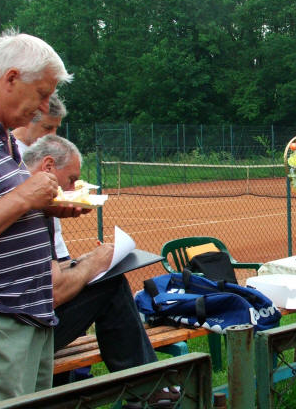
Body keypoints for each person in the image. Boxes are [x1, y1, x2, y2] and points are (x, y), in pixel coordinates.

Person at [23, 134, 180, 408]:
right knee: (110, 286)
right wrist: (94, 264)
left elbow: (43, 276)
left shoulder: (26, 202)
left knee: (107, 281)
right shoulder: (29, 210)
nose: (73, 189)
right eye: (71, 180)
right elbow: (52, 293)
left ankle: (148, 387)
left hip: (25, 320)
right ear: (48, 166)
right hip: (22, 331)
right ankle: (148, 389)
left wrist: (85, 260)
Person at [0, 30, 76, 405]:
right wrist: (24, 197)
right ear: (12, 78)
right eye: (42, 94)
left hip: (32, 314)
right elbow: (11, 202)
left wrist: (44, 207)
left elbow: (1, 207)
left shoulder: (0, 136)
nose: (43, 107)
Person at [13, 93, 71, 260]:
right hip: (26, 253)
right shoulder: (9, 151)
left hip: (56, 247)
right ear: (28, 119)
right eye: (47, 128)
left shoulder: (49, 152)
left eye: (56, 128)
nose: (53, 136)